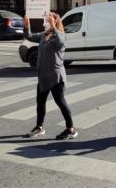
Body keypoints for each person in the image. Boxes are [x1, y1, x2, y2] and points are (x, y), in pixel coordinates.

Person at [22, 12, 78, 140]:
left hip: (55, 76)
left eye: (47, 21)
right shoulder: (44, 35)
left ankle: (71, 129)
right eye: (45, 21)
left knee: (61, 102)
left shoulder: (60, 36)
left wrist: (54, 27)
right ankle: (39, 127)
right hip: (43, 75)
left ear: (54, 22)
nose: (44, 23)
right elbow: (29, 36)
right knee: (40, 102)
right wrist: (26, 26)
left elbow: (60, 41)